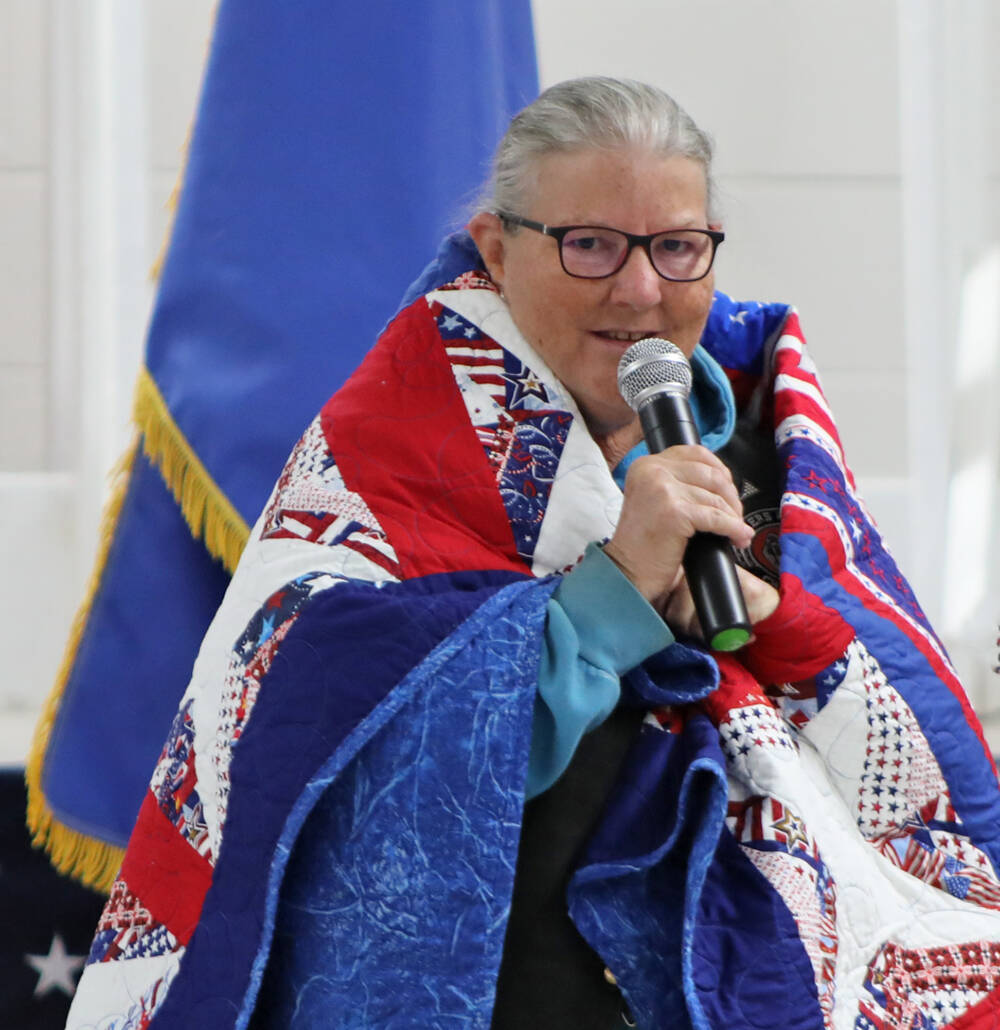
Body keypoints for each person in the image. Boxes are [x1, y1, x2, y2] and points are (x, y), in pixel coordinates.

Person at [68, 78, 1000, 1030]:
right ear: (496, 249)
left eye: (677, 247)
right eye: (590, 245)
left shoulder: (771, 446)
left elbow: (909, 740)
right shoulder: (388, 453)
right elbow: (359, 788)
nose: (640, 290)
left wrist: (780, 626)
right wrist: (615, 594)